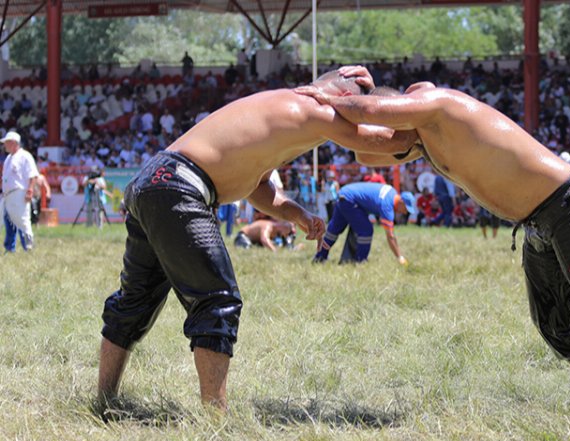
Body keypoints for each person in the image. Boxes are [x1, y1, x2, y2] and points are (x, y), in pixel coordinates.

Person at [297, 78, 570, 422]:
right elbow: (366, 152)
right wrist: (336, 118)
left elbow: (370, 111)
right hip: (539, 221)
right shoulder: (423, 141)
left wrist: (328, 93)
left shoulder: (440, 104)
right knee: (554, 320)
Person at [97, 67, 418, 412]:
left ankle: (103, 401)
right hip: (180, 187)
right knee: (217, 300)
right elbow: (379, 141)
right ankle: (214, 419)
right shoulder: (315, 108)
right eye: (355, 105)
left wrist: (298, 215)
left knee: (135, 302)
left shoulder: (282, 111)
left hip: (153, 180)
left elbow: (257, 186)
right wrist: (427, 126)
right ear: (343, 97)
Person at [312, 181, 417, 265]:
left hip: (344, 194)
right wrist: (400, 257)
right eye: (405, 209)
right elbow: (390, 236)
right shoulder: (387, 206)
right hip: (349, 199)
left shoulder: (392, 192)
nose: (404, 212)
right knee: (366, 230)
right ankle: (360, 261)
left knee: (333, 230)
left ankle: (319, 258)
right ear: (401, 202)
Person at [1, 131, 38, 251]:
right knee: (8, 220)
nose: (4, 145)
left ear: (13, 143)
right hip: (8, 195)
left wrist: (30, 190)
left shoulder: (25, 156)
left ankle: (28, 245)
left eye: (6, 143)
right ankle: (9, 247)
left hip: (19, 192)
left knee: (22, 220)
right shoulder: (8, 158)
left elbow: (32, 175)